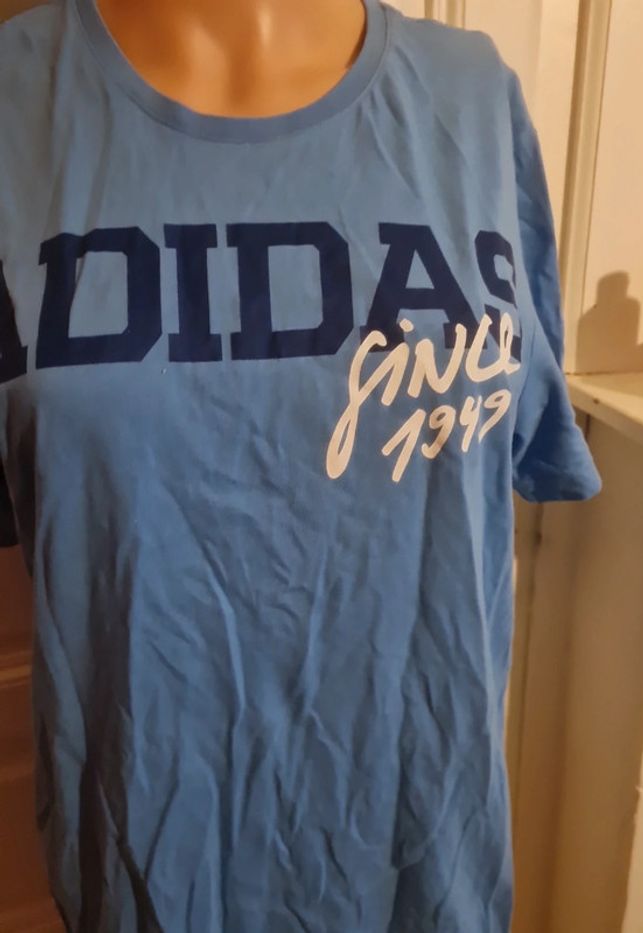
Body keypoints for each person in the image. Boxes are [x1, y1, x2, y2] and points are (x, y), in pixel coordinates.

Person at [0, 0, 602, 930]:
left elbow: (518, 444)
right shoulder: (16, 98)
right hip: (151, 877)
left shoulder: (475, 98)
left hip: (425, 876)